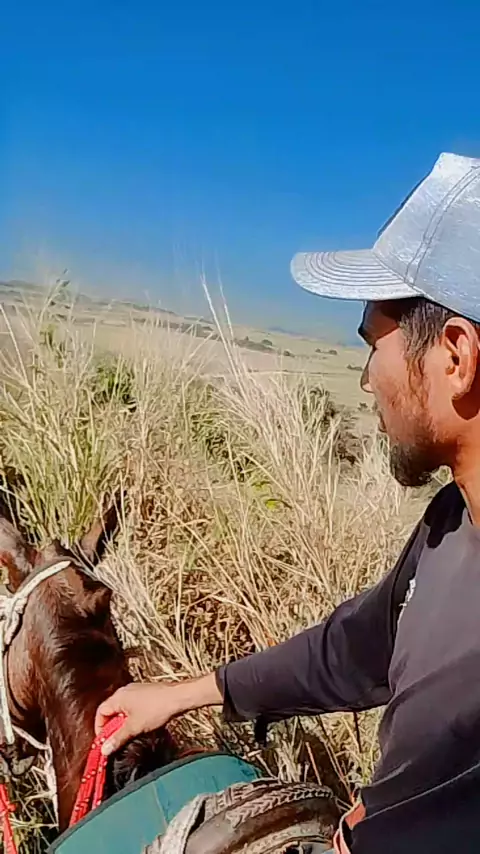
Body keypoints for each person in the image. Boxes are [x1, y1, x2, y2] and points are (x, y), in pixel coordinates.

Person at [95, 151, 480, 854]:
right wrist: (185, 692)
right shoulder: (450, 522)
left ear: (455, 356)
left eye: (374, 343)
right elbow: (355, 648)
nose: (366, 379)